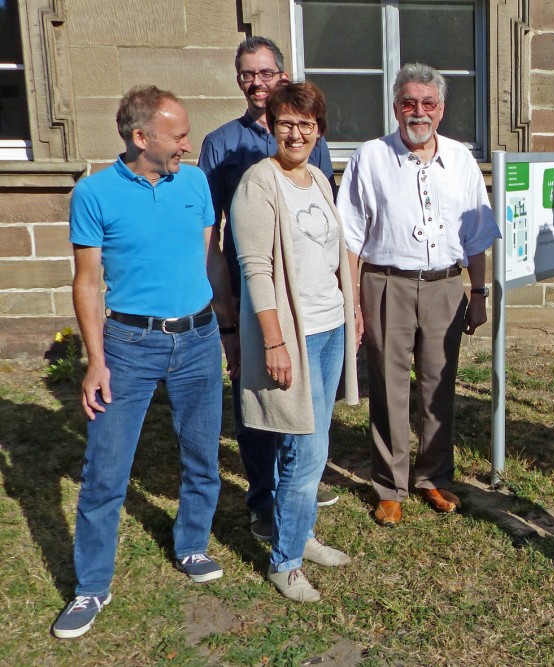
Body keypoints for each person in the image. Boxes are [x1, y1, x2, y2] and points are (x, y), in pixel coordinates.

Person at [53, 86, 238, 639]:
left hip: (199, 338)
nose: (187, 142)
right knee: (105, 473)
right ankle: (91, 585)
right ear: (141, 137)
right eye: (178, 134)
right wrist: (95, 360)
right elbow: (87, 283)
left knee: (202, 456)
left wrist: (225, 328)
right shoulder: (94, 193)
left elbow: (211, 260)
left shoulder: (196, 182)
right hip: (129, 347)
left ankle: (193, 546)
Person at [337, 63, 499, 526]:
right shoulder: (370, 157)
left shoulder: (462, 159)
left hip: (447, 285)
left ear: (441, 110)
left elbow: (477, 234)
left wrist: (479, 291)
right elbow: (349, 236)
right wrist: (352, 303)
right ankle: (390, 484)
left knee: (438, 383)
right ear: (395, 107)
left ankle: (434, 476)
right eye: (409, 103)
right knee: (387, 385)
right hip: (387, 283)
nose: (418, 112)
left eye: (428, 104)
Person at [198, 36, 340, 542]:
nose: (255, 82)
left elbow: (321, 219)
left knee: (302, 407)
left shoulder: (308, 144)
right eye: (246, 74)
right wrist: (226, 309)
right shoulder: (223, 145)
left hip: (309, 299)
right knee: (259, 404)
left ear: (281, 75)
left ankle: (295, 489)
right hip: (253, 292)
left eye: (264, 73)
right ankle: (264, 500)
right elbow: (210, 229)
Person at [230, 82, 359, 602]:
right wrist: (274, 343)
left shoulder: (317, 180)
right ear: (271, 125)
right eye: (286, 122)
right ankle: (285, 560)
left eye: (307, 124)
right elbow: (255, 269)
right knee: (304, 451)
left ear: (319, 130)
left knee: (312, 440)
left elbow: (334, 252)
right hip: (293, 336)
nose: (296, 133)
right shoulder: (258, 183)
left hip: (329, 328)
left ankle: (301, 535)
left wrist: (350, 311)